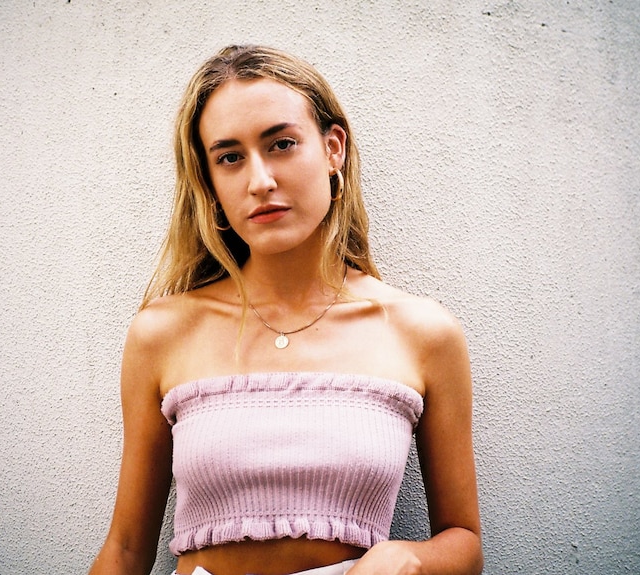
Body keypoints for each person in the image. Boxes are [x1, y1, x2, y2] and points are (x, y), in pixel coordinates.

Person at [89, 45, 482, 575]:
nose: (260, 181)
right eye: (230, 157)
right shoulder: (163, 333)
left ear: (333, 148)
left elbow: (466, 541)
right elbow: (127, 549)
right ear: (210, 181)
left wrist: (409, 558)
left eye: (281, 144)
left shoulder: (421, 333)